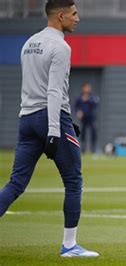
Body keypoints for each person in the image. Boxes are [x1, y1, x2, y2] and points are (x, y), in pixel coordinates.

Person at [0, 0, 99, 257]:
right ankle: (69, 246)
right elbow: (54, 91)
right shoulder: (61, 47)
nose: (78, 18)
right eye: (75, 14)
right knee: (74, 181)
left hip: (27, 118)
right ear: (61, 15)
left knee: (16, 183)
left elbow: (33, 86)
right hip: (50, 118)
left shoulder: (29, 43)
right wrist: (55, 130)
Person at [75, 82, 99, 153]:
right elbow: (76, 107)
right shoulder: (79, 98)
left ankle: (93, 149)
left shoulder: (92, 96)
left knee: (93, 133)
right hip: (83, 119)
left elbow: (96, 103)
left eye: (88, 87)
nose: (87, 89)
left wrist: (88, 99)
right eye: (86, 87)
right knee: (83, 133)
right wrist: (78, 112)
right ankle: (83, 149)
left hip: (91, 118)